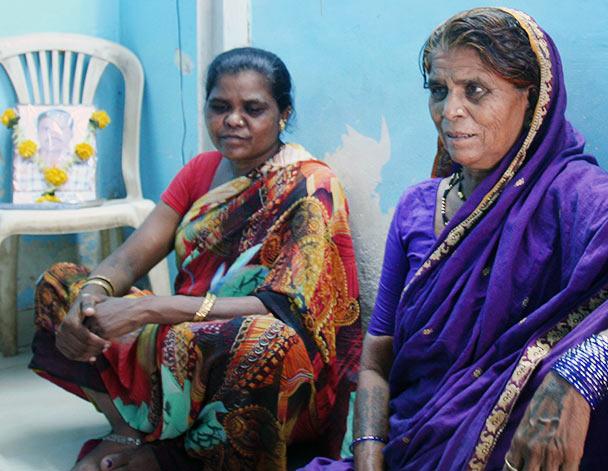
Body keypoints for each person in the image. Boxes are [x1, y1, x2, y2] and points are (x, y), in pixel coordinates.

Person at [304, 7, 608, 471]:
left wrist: (580, 376)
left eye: (475, 90)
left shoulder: (573, 195)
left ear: (531, 98)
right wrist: (369, 456)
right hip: (403, 449)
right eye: (439, 90)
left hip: (494, 452)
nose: (451, 111)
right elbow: (377, 361)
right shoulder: (417, 206)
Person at [29, 47, 362, 471]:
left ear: (283, 114)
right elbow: (132, 257)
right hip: (183, 333)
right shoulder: (203, 169)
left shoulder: (312, 187)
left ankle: (176, 456)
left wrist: (150, 309)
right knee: (62, 285)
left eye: (253, 109)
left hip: (246, 347)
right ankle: (127, 431)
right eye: (220, 107)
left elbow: (285, 310)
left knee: (264, 342)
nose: (233, 120)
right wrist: (92, 296)